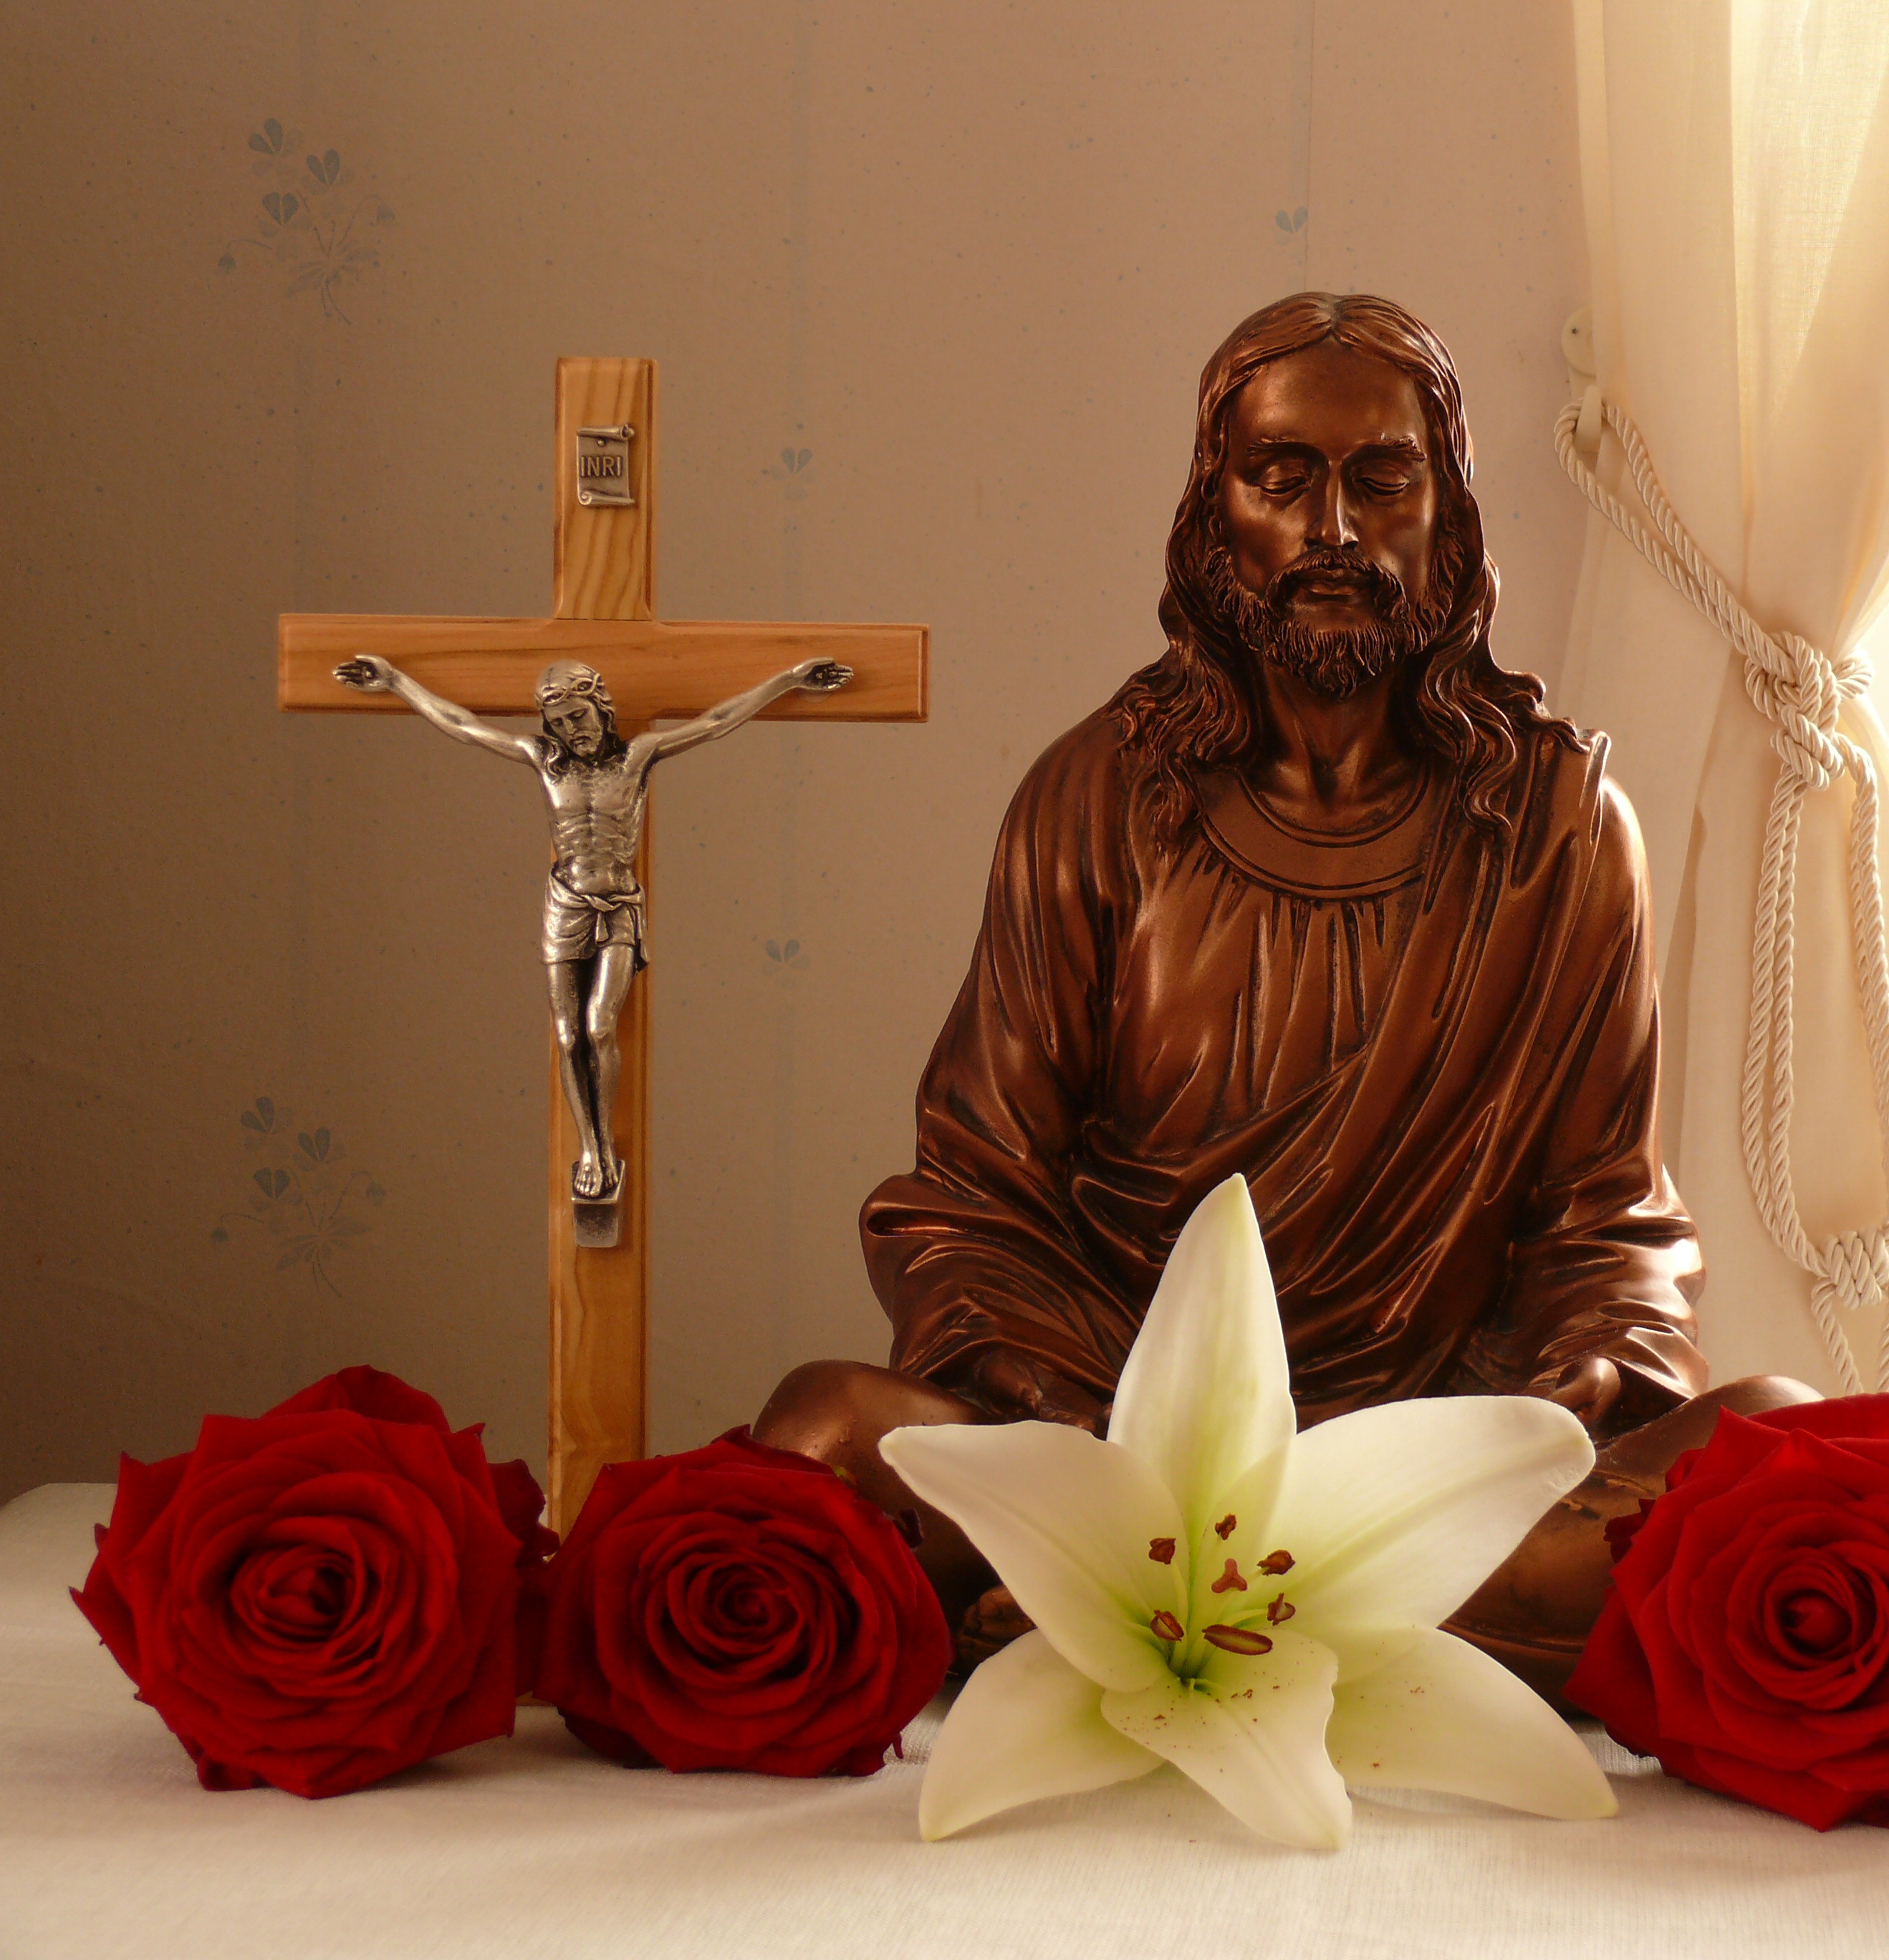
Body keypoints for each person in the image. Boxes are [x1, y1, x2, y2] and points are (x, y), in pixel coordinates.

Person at [756, 294, 1807, 1691]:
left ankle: (1200, 1624)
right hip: (1129, 1457)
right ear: (1215, 516)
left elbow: (1607, 1220)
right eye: (1281, 479)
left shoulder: (1557, 825)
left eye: (1382, 480)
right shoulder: (1095, 802)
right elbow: (970, 1205)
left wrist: (1572, 1387)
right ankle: (1350, 1625)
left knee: (1780, 1452)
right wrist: (1109, 1439)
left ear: (1451, 517)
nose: (1333, 532)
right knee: (826, 1433)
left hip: (1445, 1467)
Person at [333, 650, 851, 1205]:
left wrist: (787, 681)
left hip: (618, 905)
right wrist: (395, 682)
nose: (569, 730)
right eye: (557, 722)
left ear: (601, 706)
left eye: (577, 716)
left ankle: (603, 1143)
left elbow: (715, 722)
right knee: (566, 1034)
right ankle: (594, 1150)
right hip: (565, 905)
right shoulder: (543, 759)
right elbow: (463, 726)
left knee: (601, 1025)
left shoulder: (637, 758)